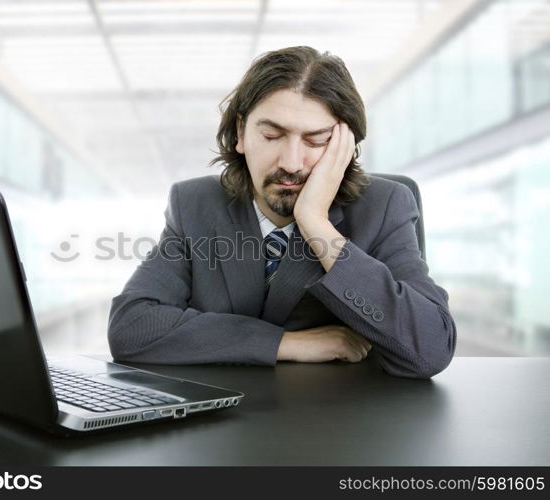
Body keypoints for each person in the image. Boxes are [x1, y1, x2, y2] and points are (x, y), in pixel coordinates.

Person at [107, 46, 456, 378]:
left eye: (316, 141)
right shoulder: (194, 203)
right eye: (272, 135)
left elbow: (430, 348)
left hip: (343, 425)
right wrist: (283, 344)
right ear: (241, 133)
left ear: (345, 146)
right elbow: (132, 328)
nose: (291, 163)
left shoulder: (384, 206)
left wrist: (316, 223)